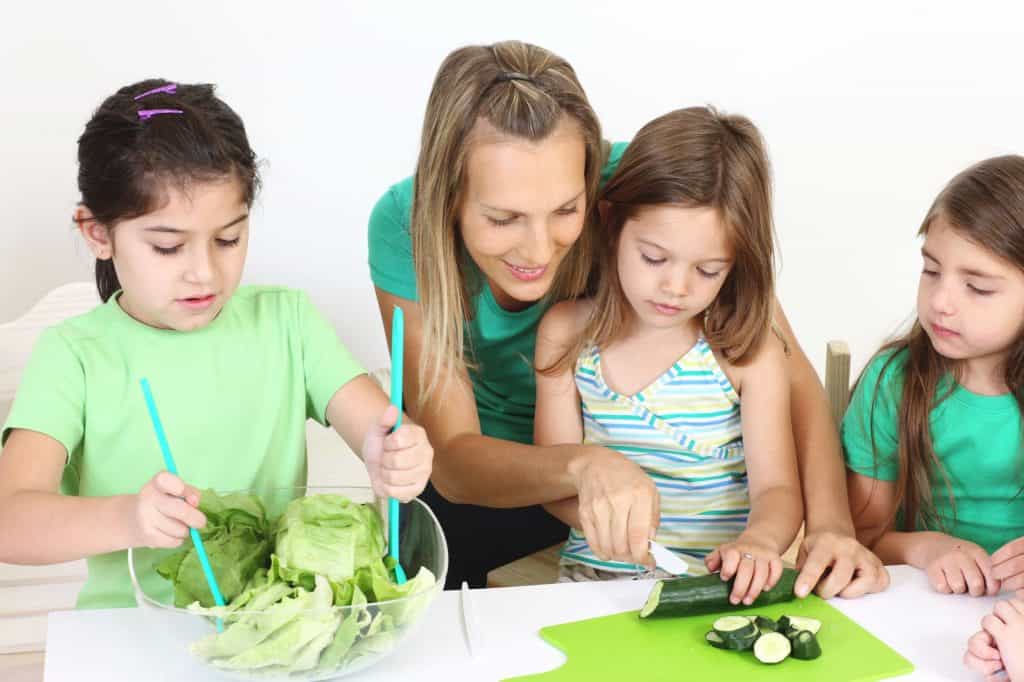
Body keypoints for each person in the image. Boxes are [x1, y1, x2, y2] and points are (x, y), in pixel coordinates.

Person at [369, 40, 888, 596]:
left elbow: (790, 375)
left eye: (567, 210)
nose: (539, 250)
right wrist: (582, 466)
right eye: (503, 219)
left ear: (597, 193)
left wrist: (831, 525)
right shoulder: (404, 226)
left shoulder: (648, 193)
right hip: (504, 485)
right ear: (449, 197)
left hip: (633, 498)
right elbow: (454, 462)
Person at [0, 79, 434, 608]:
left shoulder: (288, 322)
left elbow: (377, 427)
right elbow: (10, 520)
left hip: (272, 626)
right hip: (130, 630)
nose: (204, 273)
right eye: (168, 247)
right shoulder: (74, 356)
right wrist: (129, 518)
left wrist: (392, 451)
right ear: (98, 234)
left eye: (228, 238)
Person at [535, 107, 801, 605]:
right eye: (654, 258)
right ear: (611, 222)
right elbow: (553, 480)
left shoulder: (746, 354)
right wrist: (609, 525)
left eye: (708, 270)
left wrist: (759, 543)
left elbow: (778, 491)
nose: (676, 287)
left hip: (713, 588)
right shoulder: (565, 335)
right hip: (592, 582)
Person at [844, 155, 1024, 602]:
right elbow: (861, 538)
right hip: (925, 602)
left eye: (977, 287)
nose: (941, 301)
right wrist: (927, 548)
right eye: (931, 270)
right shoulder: (892, 382)